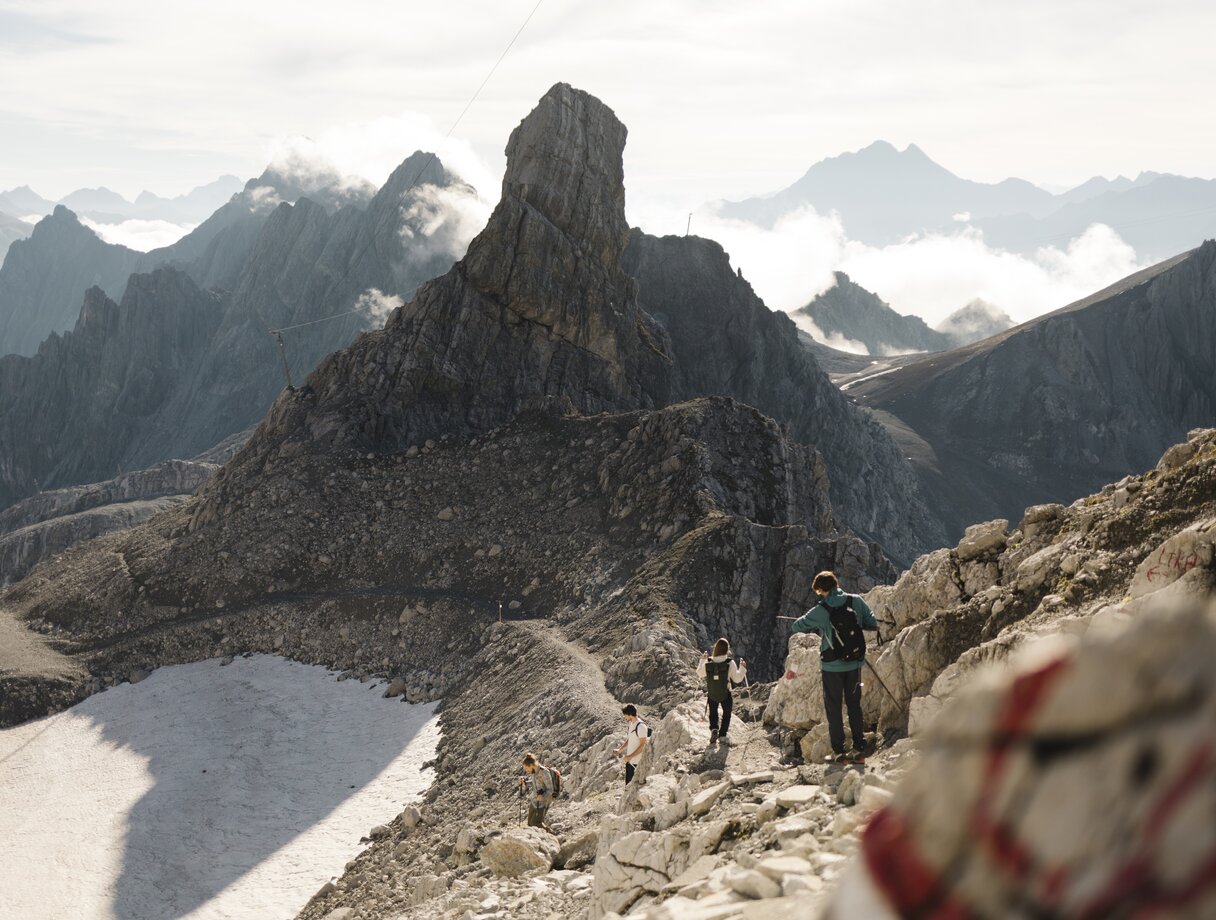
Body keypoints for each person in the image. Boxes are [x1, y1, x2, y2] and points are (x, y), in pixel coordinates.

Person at [788, 570, 878, 763]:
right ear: (836, 584)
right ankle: (859, 750)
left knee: (834, 709)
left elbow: (796, 626)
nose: (819, 595)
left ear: (821, 590)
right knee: (854, 706)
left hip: (832, 668)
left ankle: (839, 753)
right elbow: (872, 622)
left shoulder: (821, 609)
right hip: (854, 664)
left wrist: (821, 624)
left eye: (818, 592)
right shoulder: (856, 601)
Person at [696, 637, 747, 743]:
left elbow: (700, 674)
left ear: (716, 647)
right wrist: (742, 668)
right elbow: (737, 679)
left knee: (713, 712)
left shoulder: (709, 661)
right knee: (727, 713)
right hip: (725, 693)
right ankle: (723, 734)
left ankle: (714, 729)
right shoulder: (729, 662)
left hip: (712, 693)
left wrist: (702, 660)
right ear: (727, 649)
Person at [613, 704, 649, 784]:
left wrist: (630, 756)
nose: (624, 717)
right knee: (628, 786)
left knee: (634, 786)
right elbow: (630, 740)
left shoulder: (641, 726)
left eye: (625, 715)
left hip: (637, 763)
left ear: (629, 714)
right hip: (630, 762)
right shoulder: (632, 724)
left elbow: (643, 745)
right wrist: (619, 750)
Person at [519, 752, 555, 827]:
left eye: (526, 768)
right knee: (530, 824)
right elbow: (534, 784)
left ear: (531, 765)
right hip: (534, 801)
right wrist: (525, 783)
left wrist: (543, 796)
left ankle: (550, 833)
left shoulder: (544, 772)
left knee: (535, 823)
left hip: (542, 803)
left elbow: (550, 789)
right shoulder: (533, 772)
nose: (526, 770)